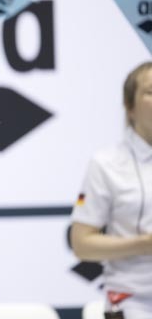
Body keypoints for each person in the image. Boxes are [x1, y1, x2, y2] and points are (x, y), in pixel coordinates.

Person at [71, 62, 152, 318]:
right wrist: (145, 244)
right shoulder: (106, 163)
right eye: (150, 92)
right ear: (130, 106)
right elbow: (82, 244)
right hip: (133, 301)